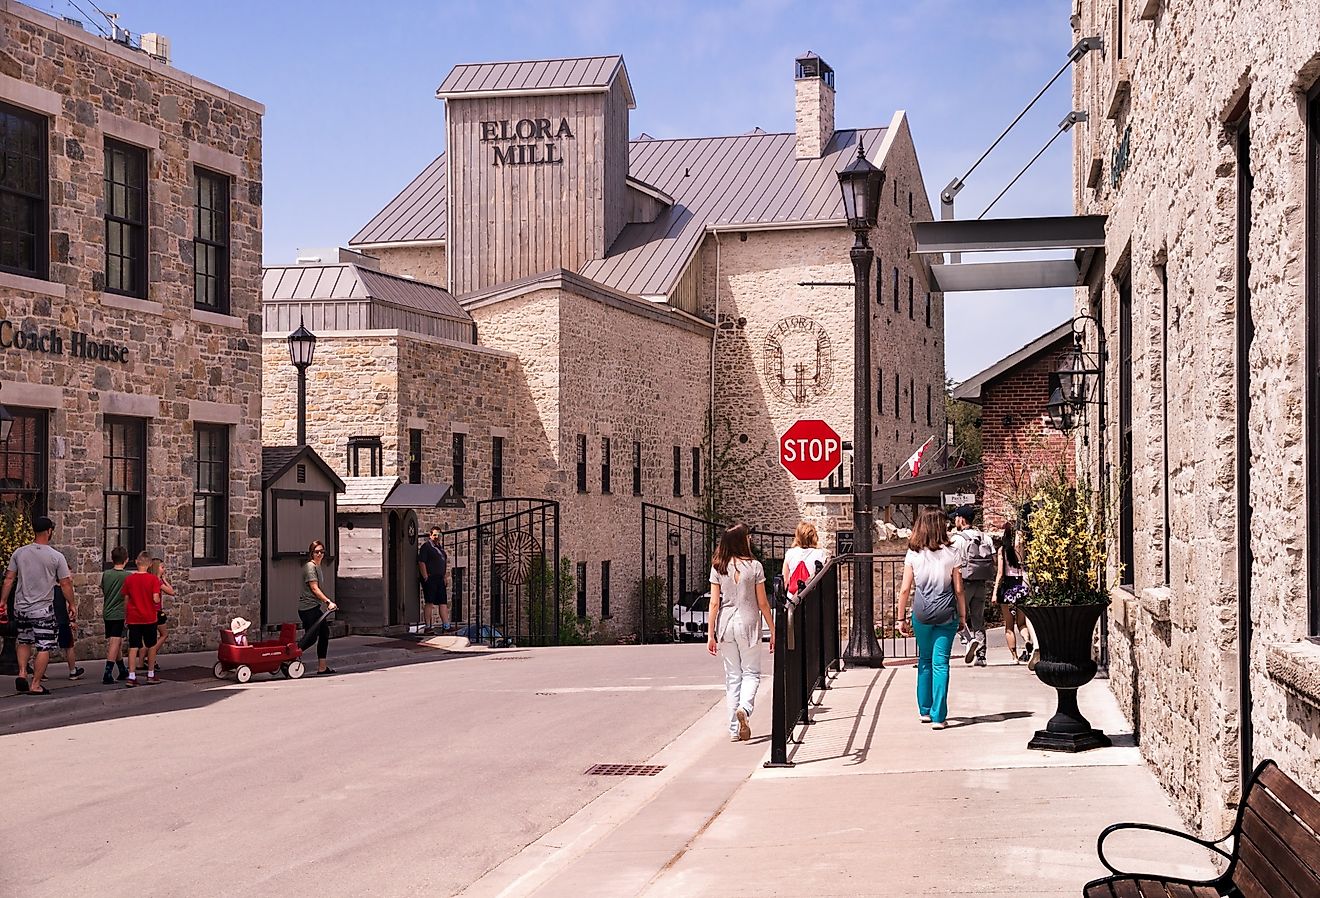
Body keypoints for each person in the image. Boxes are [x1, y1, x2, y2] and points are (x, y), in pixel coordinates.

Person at [897, 507, 969, 729]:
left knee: (925, 661)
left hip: (922, 613)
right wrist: (963, 616)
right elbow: (958, 589)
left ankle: (924, 710)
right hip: (946, 613)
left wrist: (901, 619)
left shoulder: (913, 553)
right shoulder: (952, 553)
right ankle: (939, 716)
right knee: (941, 663)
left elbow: (905, 589)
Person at [706, 523, 775, 742]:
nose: (750, 540)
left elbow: (714, 604)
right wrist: (773, 630)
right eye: (748, 537)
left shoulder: (718, 566)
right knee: (751, 673)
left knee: (733, 677)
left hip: (726, 625)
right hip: (748, 624)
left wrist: (710, 634)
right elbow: (763, 603)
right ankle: (744, 708)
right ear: (740, 540)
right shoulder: (754, 566)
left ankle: (734, 730)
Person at [0, 516, 74, 696]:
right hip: (42, 607)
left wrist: (3, 601)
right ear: (49, 531)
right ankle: (35, 684)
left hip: (21, 607)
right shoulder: (56, 557)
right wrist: (71, 603)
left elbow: (9, 579)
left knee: (24, 640)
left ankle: (22, 672)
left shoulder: (19, 553)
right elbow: (65, 583)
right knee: (44, 645)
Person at [950, 505, 995, 667]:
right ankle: (981, 656)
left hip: (963, 583)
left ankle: (969, 641)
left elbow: (952, 562)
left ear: (961, 519)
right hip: (981, 582)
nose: (954, 520)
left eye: (955, 517)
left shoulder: (957, 539)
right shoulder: (985, 537)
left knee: (955, 616)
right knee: (978, 619)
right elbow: (993, 559)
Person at [990, 520, 1033, 665]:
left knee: (1009, 625)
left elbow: (1000, 573)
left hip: (1008, 586)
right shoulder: (1022, 549)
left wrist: (995, 592)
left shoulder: (1002, 550)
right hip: (1021, 585)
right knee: (1022, 623)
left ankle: (1014, 657)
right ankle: (1027, 640)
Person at [122, 551, 162, 686]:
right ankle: (150, 674)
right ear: (150, 564)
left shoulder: (129, 579)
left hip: (133, 617)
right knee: (151, 645)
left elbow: (126, 599)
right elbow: (155, 599)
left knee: (133, 646)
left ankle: (131, 676)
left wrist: (126, 615)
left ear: (137, 562)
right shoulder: (153, 579)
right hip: (149, 617)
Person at [299, 540, 338, 675]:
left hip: (314, 607)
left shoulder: (317, 566)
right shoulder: (310, 567)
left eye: (322, 552)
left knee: (324, 633)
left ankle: (322, 667)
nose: (320, 554)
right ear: (311, 553)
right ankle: (290, 657)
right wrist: (328, 602)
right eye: (316, 552)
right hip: (308, 608)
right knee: (311, 637)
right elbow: (314, 588)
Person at [100, 546, 131, 684]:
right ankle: (108, 672)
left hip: (107, 611)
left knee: (115, 641)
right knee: (115, 641)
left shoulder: (106, 574)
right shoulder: (128, 576)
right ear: (126, 560)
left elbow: (104, 590)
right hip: (120, 612)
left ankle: (122, 669)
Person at [417, 527, 451, 633]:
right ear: (430, 535)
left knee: (443, 602)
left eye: (439, 535)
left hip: (440, 578)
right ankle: (428, 627)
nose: (437, 537)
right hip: (430, 578)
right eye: (435, 535)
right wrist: (425, 577)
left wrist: (444, 576)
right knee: (429, 602)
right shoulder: (426, 547)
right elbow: (421, 562)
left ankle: (446, 626)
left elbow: (443, 564)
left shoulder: (440, 548)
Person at [781, 521, 828, 595]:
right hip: (812, 597)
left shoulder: (790, 553)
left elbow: (785, 580)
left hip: (793, 599)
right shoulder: (820, 554)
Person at [53, 584, 83, 680]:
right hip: (62, 621)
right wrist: (71, 621)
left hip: (50, 620)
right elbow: (68, 607)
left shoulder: (48, 589)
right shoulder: (65, 589)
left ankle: (40, 672)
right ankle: (73, 671)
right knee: (69, 647)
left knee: (44, 648)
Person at [149, 557, 176, 663]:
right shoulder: (158, 581)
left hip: (149, 611)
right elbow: (171, 591)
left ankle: (146, 657)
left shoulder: (150, 579)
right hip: (157, 611)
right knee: (164, 634)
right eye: (162, 567)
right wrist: (164, 580)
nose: (164, 569)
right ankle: (152, 653)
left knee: (149, 636)